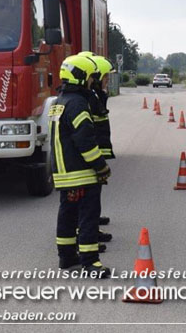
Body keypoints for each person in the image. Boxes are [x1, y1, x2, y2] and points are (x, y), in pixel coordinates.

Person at [50, 54, 112, 277]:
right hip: (82, 173)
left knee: (67, 215)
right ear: (82, 77)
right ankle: (90, 262)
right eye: (90, 78)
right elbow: (85, 141)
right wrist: (101, 166)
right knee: (88, 216)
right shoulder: (78, 104)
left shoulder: (60, 101)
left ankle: (66, 257)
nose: (92, 82)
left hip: (64, 173)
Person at [78, 51, 116, 234]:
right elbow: (88, 132)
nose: (108, 80)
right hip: (89, 156)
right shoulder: (90, 98)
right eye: (106, 77)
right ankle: (89, 231)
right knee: (88, 197)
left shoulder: (96, 95)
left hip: (94, 153)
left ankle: (92, 224)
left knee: (94, 193)